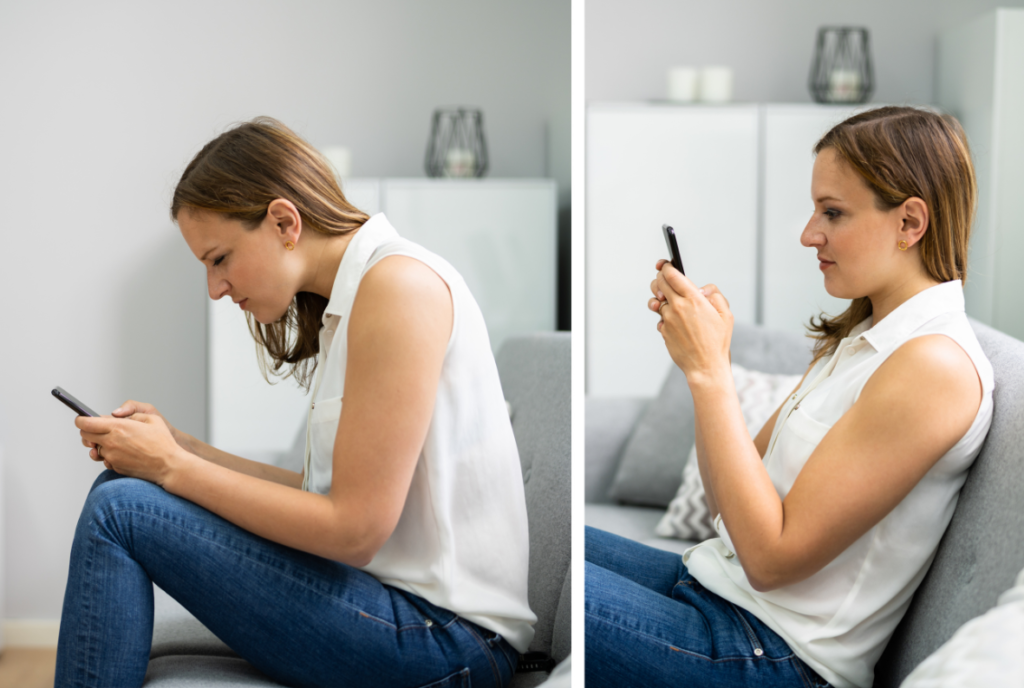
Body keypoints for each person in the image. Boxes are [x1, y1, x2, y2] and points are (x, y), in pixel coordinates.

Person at [55, 117, 535, 688]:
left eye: (219, 259)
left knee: (121, 510)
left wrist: (170, 467)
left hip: (447, 642)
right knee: (120, 490)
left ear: (284, 222)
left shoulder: (399, 287)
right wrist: (183, 448)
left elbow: (354, 530)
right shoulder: (351, 301)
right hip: (403, 614)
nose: (215, 289)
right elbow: (319, 497)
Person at [585, 106, 993, 688]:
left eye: (833, 212)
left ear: (909, 222)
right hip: (717, 594)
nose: (809, 235)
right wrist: (712, 363)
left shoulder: (933, 367)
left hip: (771, 655)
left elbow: (771, 559)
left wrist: (709, 375)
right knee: (541, 549)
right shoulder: (862, 340)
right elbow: (727, 500)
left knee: (551, 587)